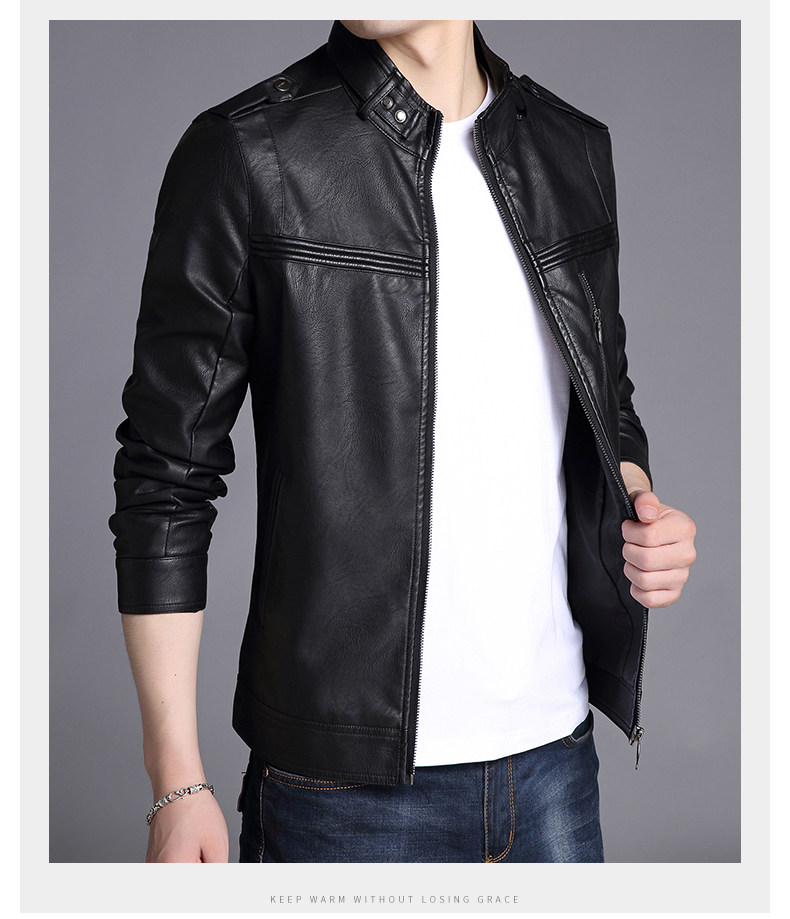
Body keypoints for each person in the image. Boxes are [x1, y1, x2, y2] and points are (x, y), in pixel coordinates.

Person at [110, 19, 697, 863]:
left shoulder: (572, 151)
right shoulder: (250, 152)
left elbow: (608, 401)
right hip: (340, 792)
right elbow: (166, 477)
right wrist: (176, 779)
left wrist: (639, 505)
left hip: (555, 765)